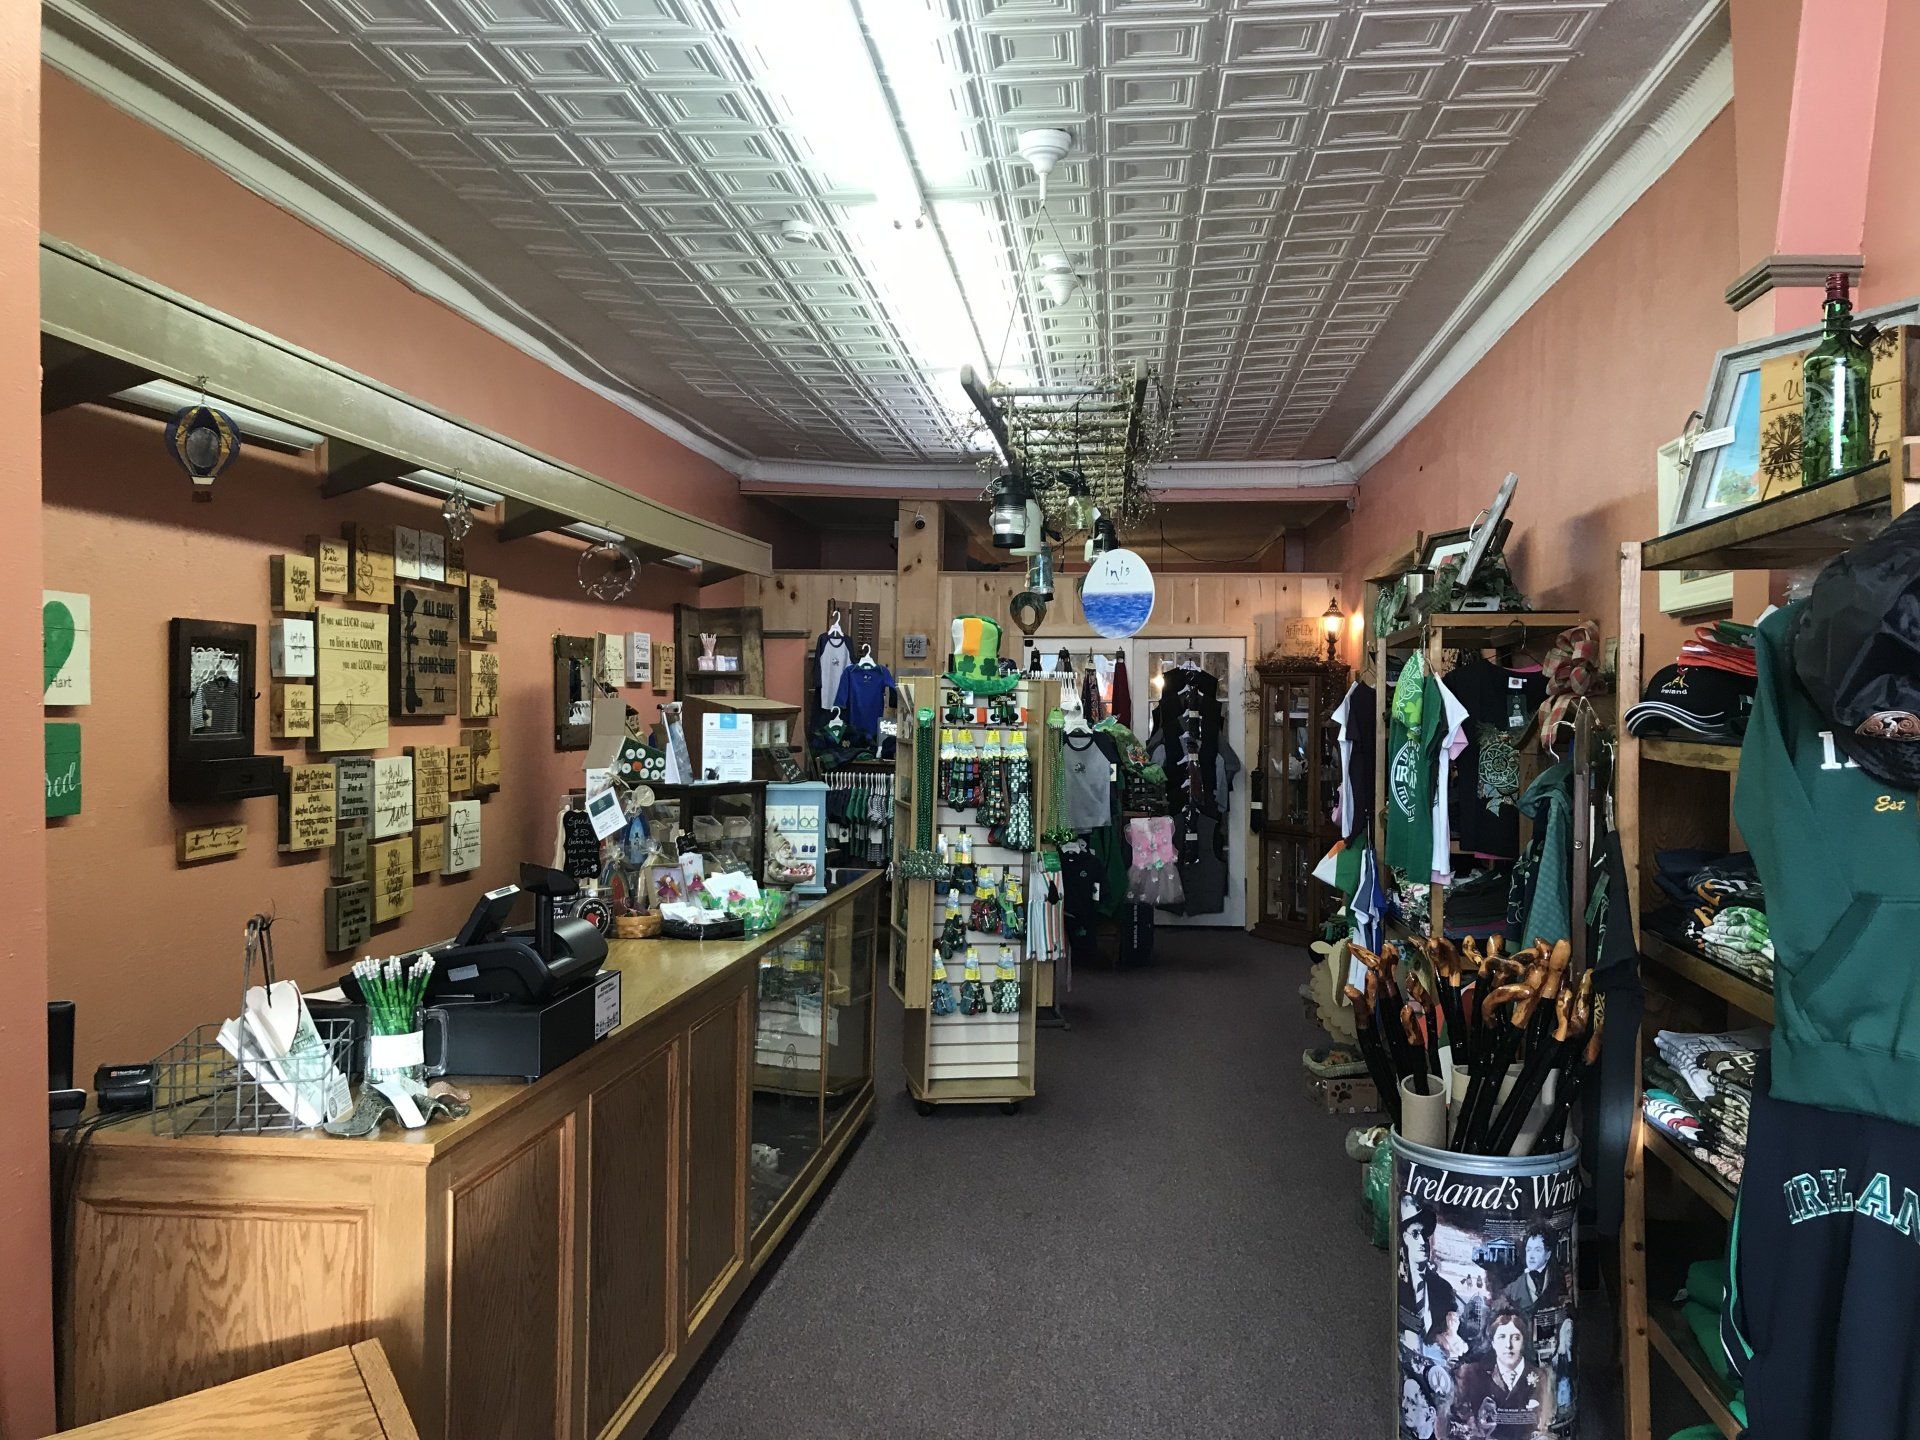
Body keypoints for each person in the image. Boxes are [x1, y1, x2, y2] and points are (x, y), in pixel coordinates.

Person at [1453, 1310, 1554, 1439]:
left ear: (1523, 1342)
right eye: (1502, 1337)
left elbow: (1544, 1425)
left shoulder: (1541, 1377)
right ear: (1493, 1343)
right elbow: (1460, 1419)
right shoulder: (1471, 1374)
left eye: (1515, 1337)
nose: (1508, 1345)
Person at [1398, 1198, 1459, 1342]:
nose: (1423, 1242)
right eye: (1415, 1234)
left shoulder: (1444, 1289)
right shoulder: (1400, 1281)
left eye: (1425, 1234)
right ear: (1404, 1238)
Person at [1498, 1228, 1562, 1323]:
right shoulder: (1512, 1288)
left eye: (1537, 1250)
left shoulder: (1558, 1279)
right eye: (1528, 1250)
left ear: (1548, 1255)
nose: (1531, 1256)